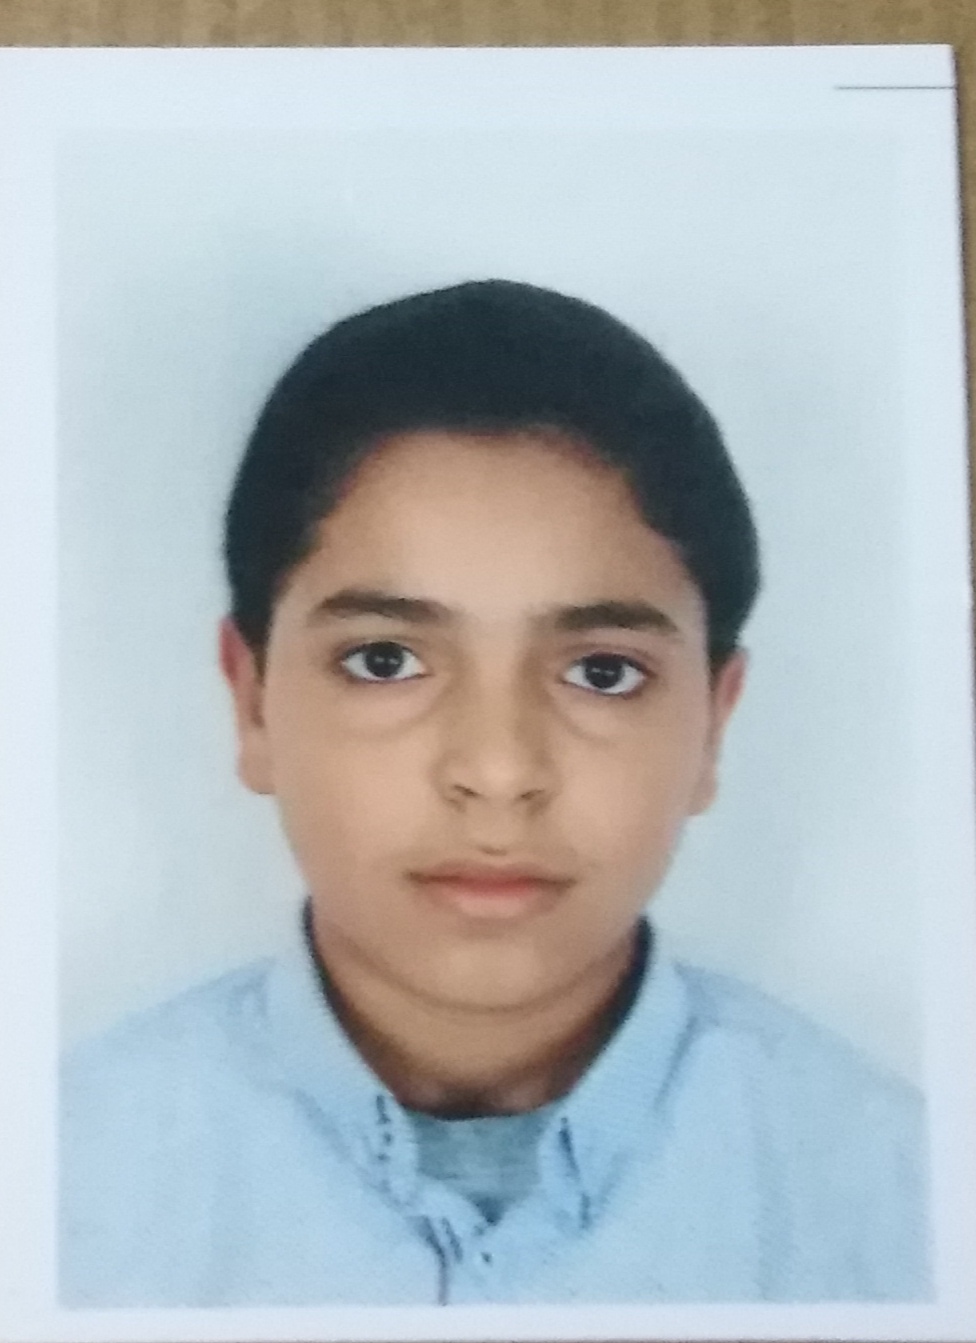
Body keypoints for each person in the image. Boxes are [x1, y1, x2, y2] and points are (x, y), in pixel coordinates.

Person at [60, 279, 929, 1307]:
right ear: (252, 701)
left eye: (601, 671)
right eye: (385, 659)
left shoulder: (905, 1201)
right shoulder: (62, 1183)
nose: (500, 769)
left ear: (713, 722)